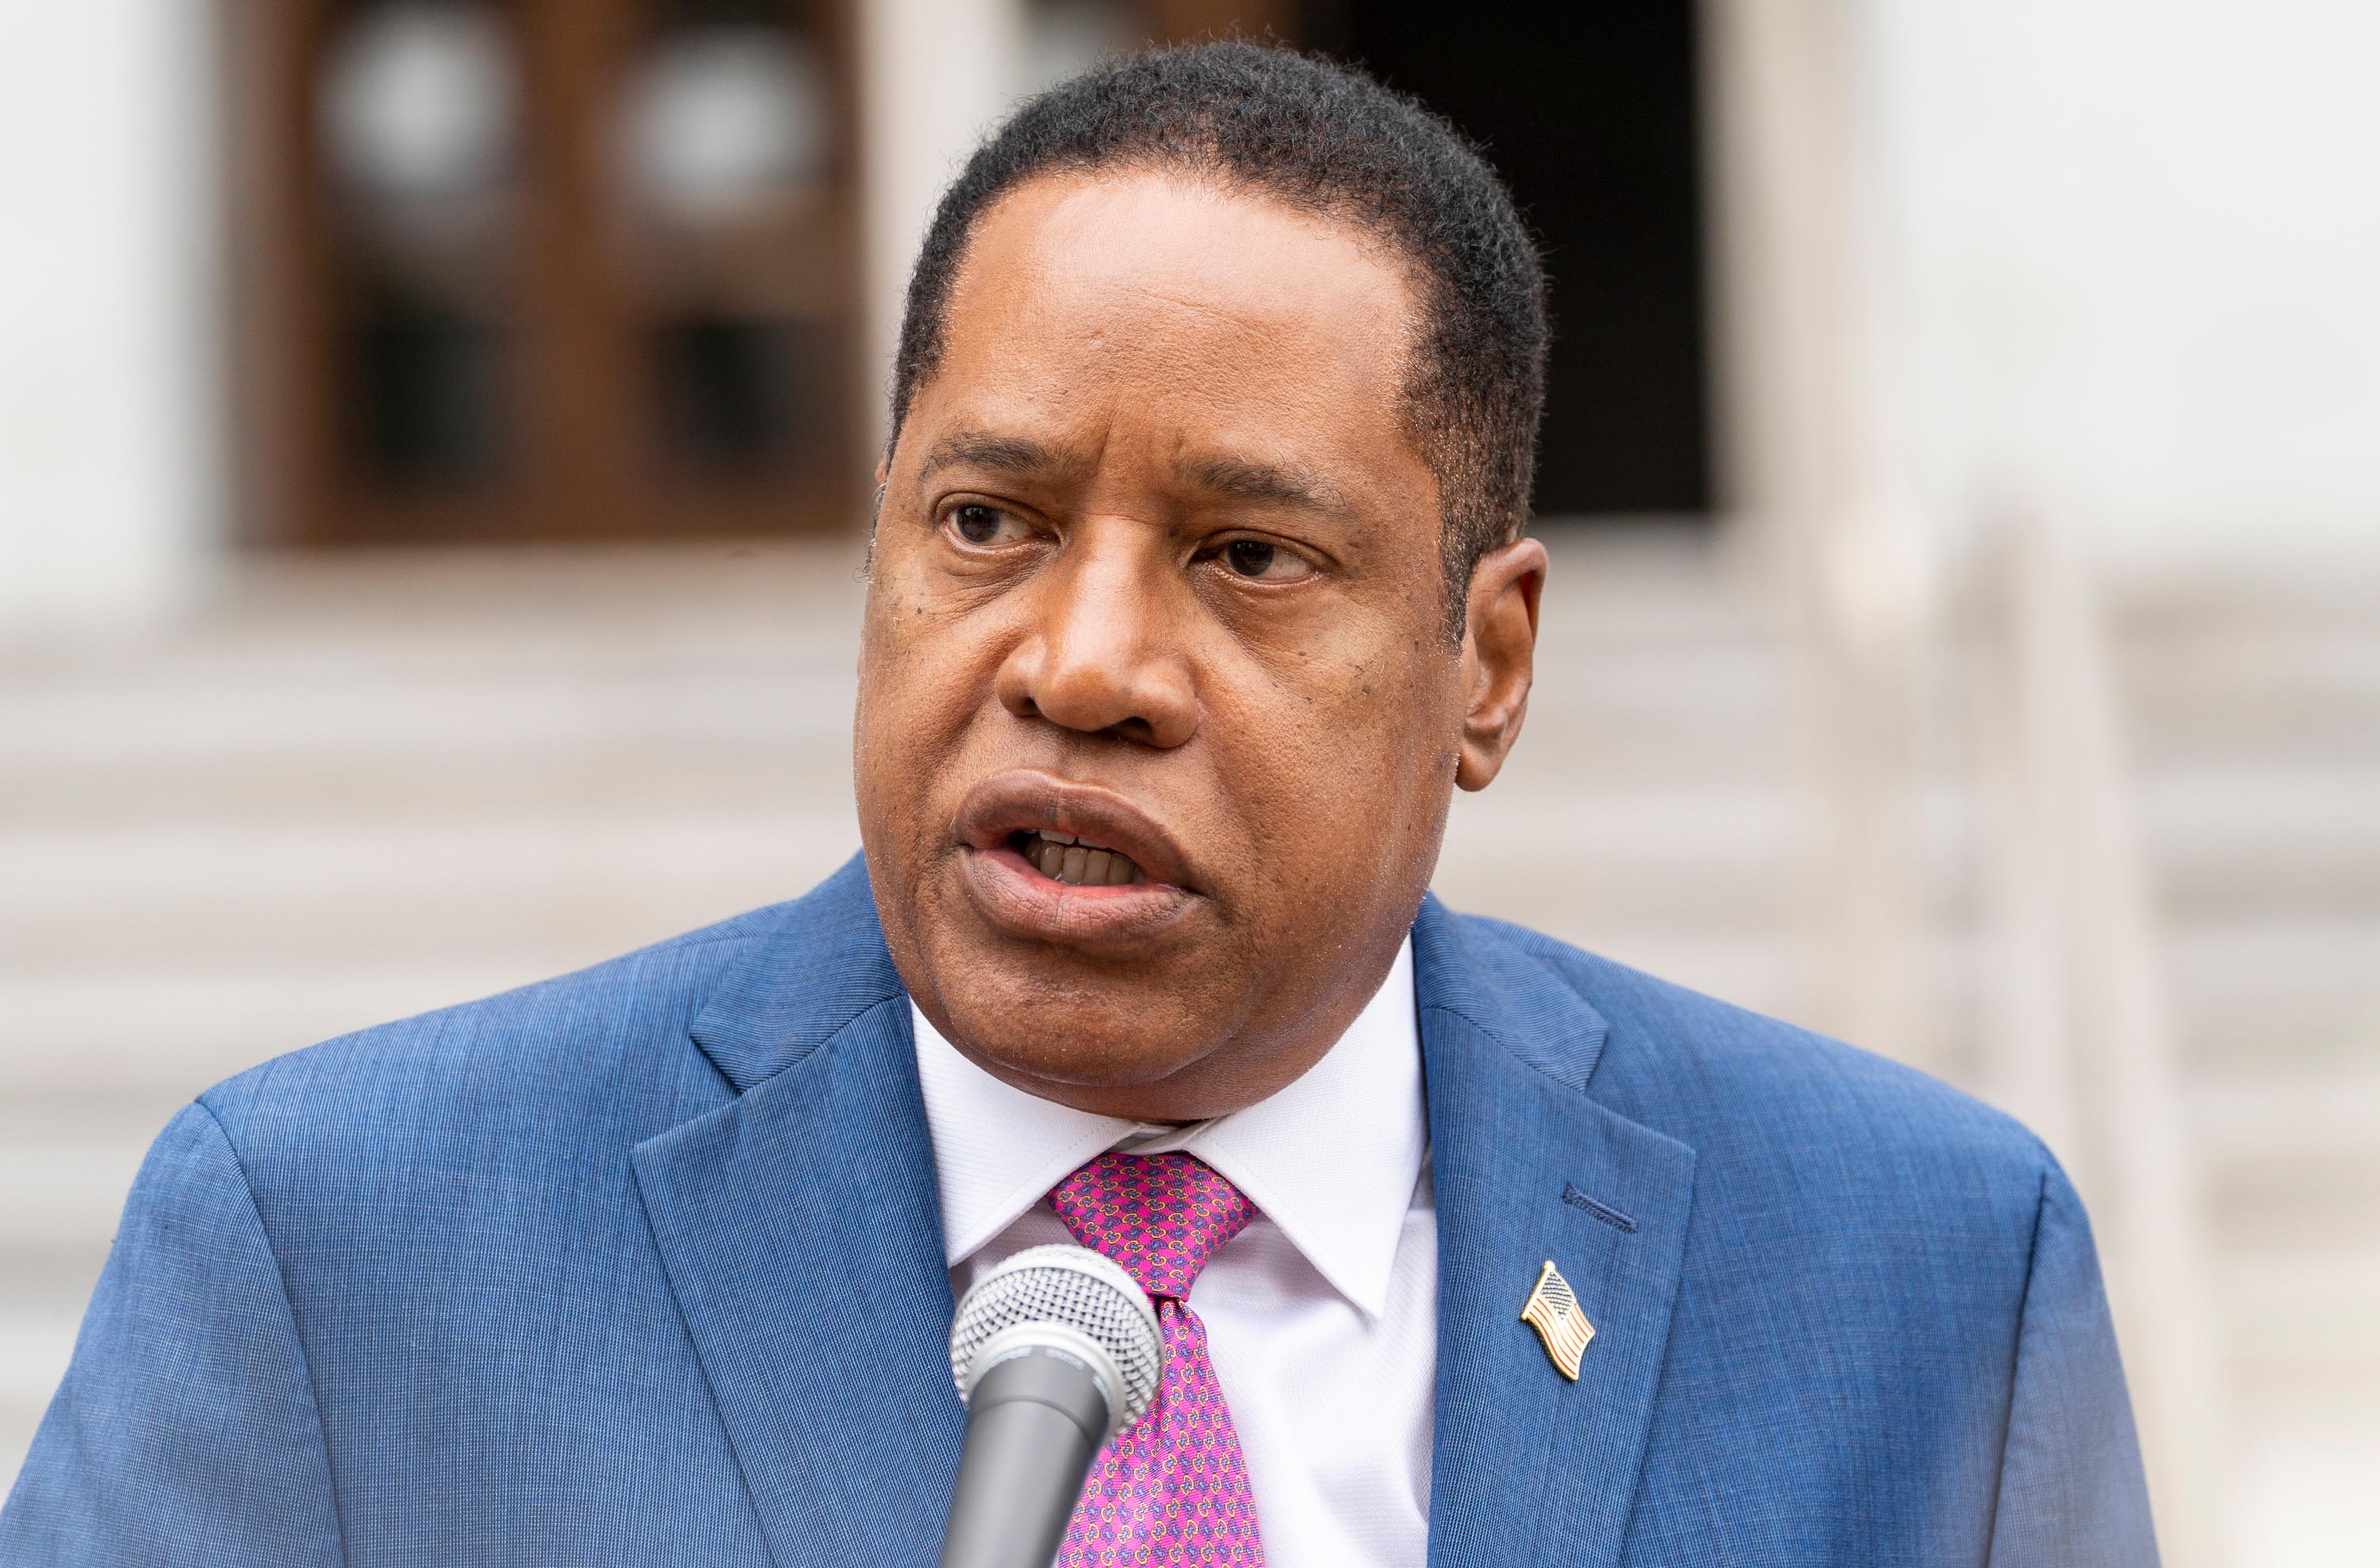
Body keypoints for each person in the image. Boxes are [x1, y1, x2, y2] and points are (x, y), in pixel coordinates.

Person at [2, 42, 2156, 1568]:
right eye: (988, 519)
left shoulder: (1917, 1283)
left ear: (1482, 663)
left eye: (1249, 557)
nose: (1083, 664)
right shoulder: (335, 1262)